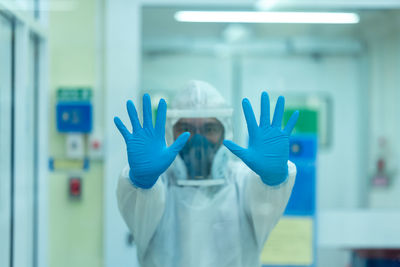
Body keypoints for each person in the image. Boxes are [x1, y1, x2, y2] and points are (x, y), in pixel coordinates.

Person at [114, 80, 299, 267]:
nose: (198, 141)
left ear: (224, 132)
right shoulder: (156, 186)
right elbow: (137, 208)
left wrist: (273, 180)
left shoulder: (242, 182)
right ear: (170, 133)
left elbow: (266, 203)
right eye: (186, 129)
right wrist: (141, 182)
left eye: (209, 129)